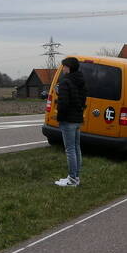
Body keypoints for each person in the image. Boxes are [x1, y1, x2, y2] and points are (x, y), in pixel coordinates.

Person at [54, 56, 87, 187]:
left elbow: (63, 103)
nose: (63, 69)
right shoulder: (81, 80)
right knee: (76, 148)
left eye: (64, 66)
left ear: (69, 68)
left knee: (70, 150)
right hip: (78, 118)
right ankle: (76, 177)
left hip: (67, 120)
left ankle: (72, 179)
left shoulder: (65, 82)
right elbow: (83, 100)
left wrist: (60, 117)